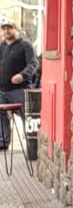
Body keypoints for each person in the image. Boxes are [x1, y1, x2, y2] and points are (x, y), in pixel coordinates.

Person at [0, 19, 37, 149]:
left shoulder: (25, 45)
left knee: (26, 117)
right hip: (2, 91)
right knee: (1, 115)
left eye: (9, 28)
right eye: (4, 28)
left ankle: (32, 147)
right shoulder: (1, 46)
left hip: (20, 90)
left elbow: (33, 63)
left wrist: (22, 75)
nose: (6, 31)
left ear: (16, 29)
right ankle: (3, 142)